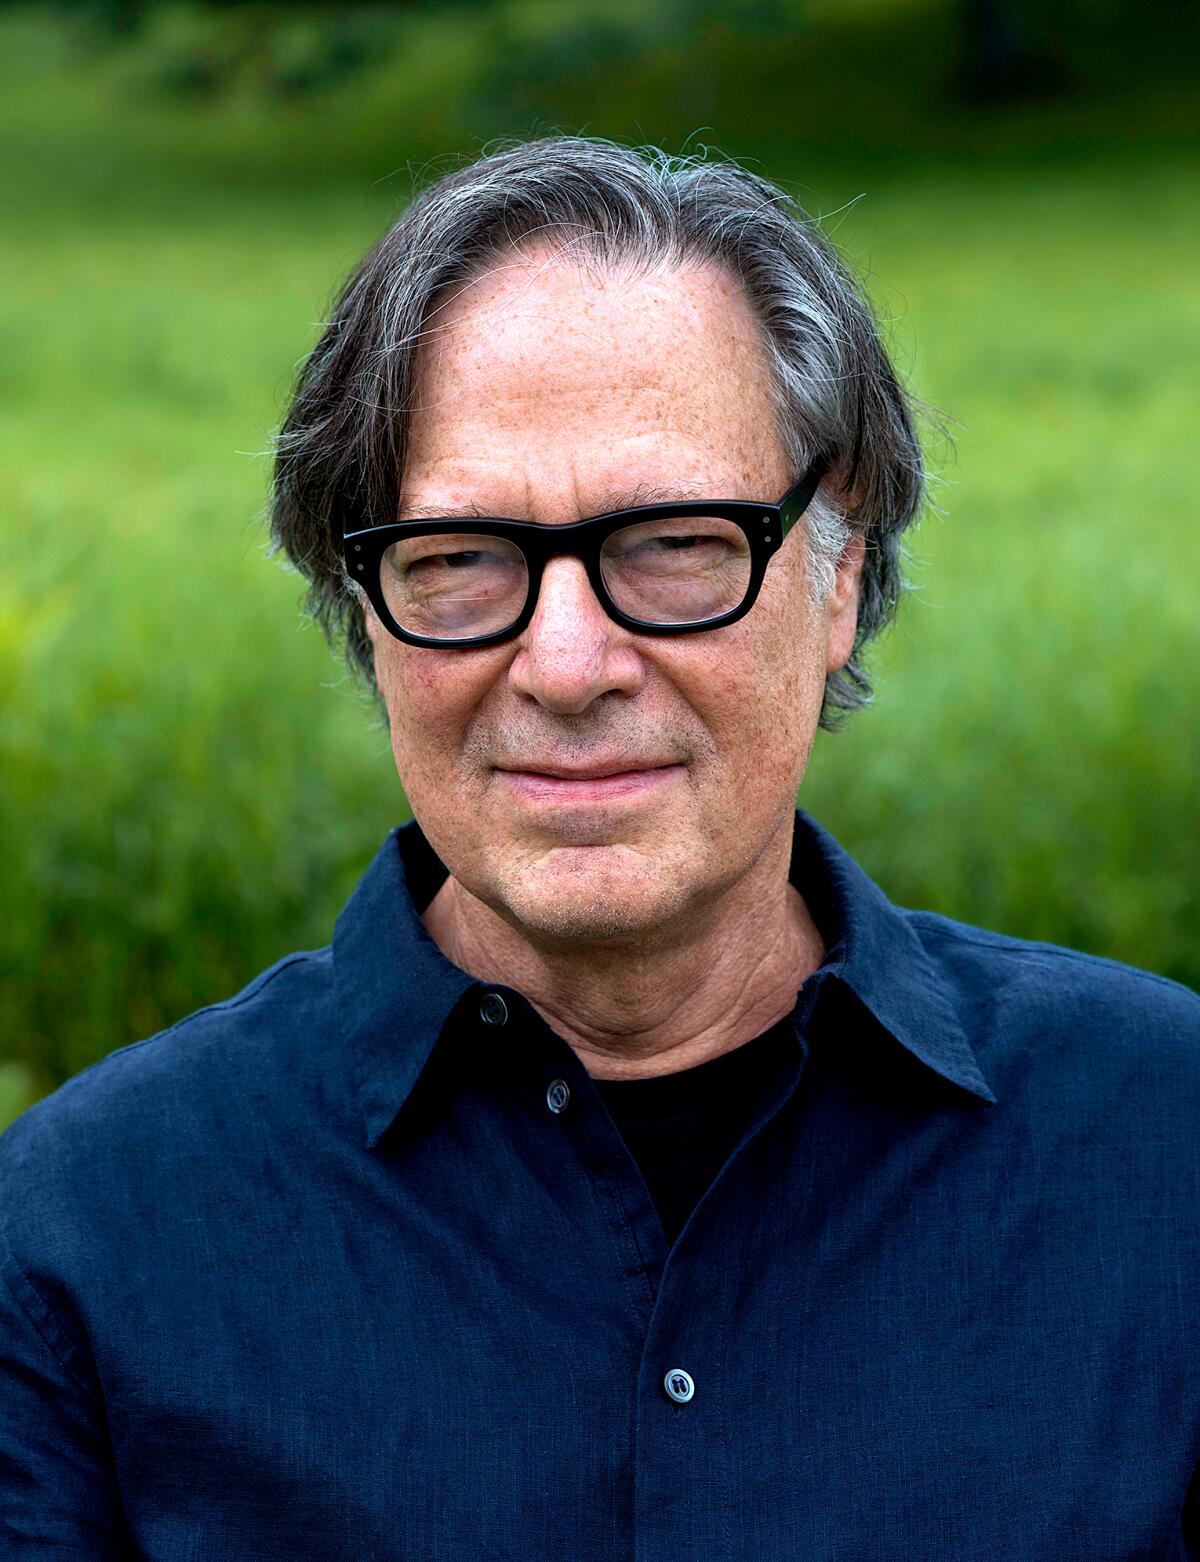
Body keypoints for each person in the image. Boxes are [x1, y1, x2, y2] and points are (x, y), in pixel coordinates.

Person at [1, 136, 1197, 1560]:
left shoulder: (1162, 1145)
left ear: (841, 578)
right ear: (366, 617)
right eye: (459, 559)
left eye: (676, 543)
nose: (566, 662)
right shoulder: (81, 1232)